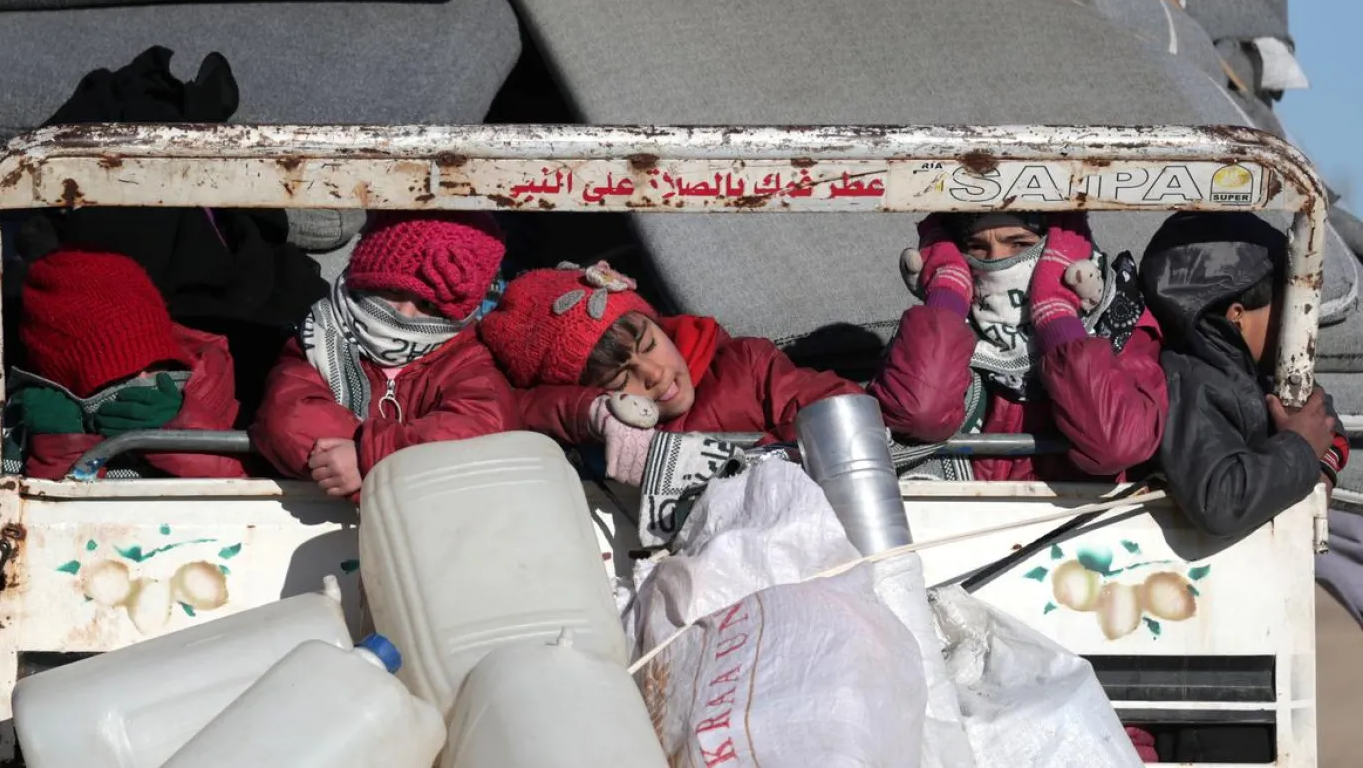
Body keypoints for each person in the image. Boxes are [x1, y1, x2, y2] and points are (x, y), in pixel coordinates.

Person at [478, 261, 863, 490]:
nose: (654, 374)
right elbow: (515, 410)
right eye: (619, 377)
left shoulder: (743, 365)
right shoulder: (606, 433)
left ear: (658, 324)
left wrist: (772, 457)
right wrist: (592, 415)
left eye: (648, 345)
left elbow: (840, 409)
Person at [870, 213, 1166, 482]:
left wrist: (1057, 316)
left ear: (1059, 251)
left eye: (1019, 244)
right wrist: (947, 292)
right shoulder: (943, 326)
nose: (997, 261)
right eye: (977, 247)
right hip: (963, 519)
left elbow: (1117, 445)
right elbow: (916, 414)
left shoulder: (1119, 325)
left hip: (1075, 524)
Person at [250, 212, 516, 499]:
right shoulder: (318, 336)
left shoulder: (466, 360)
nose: (404, 314)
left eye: (427, 305)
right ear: (362, 281)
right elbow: (288, 416)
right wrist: (366, 464)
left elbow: (483, 426)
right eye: (392, 291)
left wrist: (371, 461)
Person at [1139, 212, 1349, 538]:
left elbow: (1326, 424)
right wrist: (1300, 449)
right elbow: (1220, 501)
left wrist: (1322, 467)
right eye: (1285, 308)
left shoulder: (1262, 373)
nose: (1295, 325)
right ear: (1237, 315)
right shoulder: (1193, 384)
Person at [11, 249, 253, 479]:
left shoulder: (216, 395)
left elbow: (265, 494)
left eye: (159, 364)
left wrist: (183, 432)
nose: (145, 378)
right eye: (121, 376)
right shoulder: (21, 430)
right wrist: (62, 450)